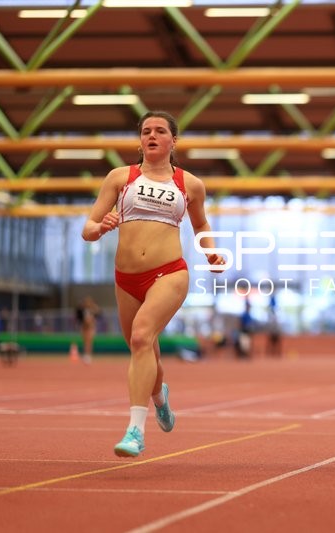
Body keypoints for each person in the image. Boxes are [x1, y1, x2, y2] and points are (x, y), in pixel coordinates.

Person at [82, 110, 225, 458]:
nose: (152, 135)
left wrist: (211, 253)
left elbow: (201, 225)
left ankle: (135, 430)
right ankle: (160, 397)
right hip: (126, 277)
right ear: (140, 140)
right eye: (146, 131)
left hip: (169, 273)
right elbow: (87, 228)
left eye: (160, 131)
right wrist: (100, 228)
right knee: (144, 350)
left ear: (173, 141)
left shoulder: (189, 184)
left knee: (142, 335)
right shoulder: (120, 177)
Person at [75, 296, 100, 364]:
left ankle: (88, 355)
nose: (88, 303)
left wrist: (94, 307)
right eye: (86, 302)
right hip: (84, 327)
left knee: (89, 341)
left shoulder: (93, 309)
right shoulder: (82, 310)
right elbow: (78, 314)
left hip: (91, 327)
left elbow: (99, 313)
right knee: (85, 341)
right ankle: (86, 354)